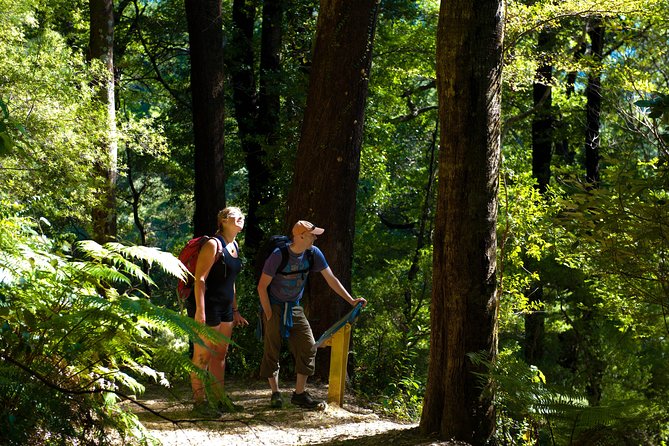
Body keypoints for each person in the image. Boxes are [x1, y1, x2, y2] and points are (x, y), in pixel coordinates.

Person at [257, 220, 367, 409]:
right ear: (300, 236)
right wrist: (268, 312)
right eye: (312, 234)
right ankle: (275, 393)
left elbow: (331, 279)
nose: (315, 237)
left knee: (309, 346)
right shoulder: (278, 255)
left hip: (294, 306)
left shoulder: (313, 254)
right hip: (274, 306)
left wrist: (351, 300)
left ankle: (299, 394)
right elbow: (262, 286)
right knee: (272, 349)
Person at [187, 207, 249, 416]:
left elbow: (231, 282)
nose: (241, 218)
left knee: (220, 354)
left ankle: (219, 399)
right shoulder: (214, 244)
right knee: (203, 355)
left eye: (242, 215)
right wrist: (200, 312)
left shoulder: (234, 245)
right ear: (223, 220)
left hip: (226, 309)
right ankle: (199, 403)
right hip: (208, 306)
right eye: (236, 215)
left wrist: (235, 309)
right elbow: (200, 280)